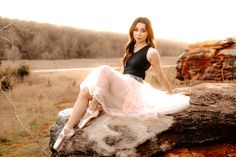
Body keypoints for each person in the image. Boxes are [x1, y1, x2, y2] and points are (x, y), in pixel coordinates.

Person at [53, 17, 190, 151]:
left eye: (143, 30)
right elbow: (122, 72)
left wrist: (170, 94)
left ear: (149, 33)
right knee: (85, 92)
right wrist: (106, 83)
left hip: (131, 91)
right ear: (132, 31)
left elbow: (160, 75)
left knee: (104, 69)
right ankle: (67, 130)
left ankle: (93, 107)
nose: (138, 33)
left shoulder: (151, 52)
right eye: (136, 30)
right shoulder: (130, 48)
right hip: (121, 86)